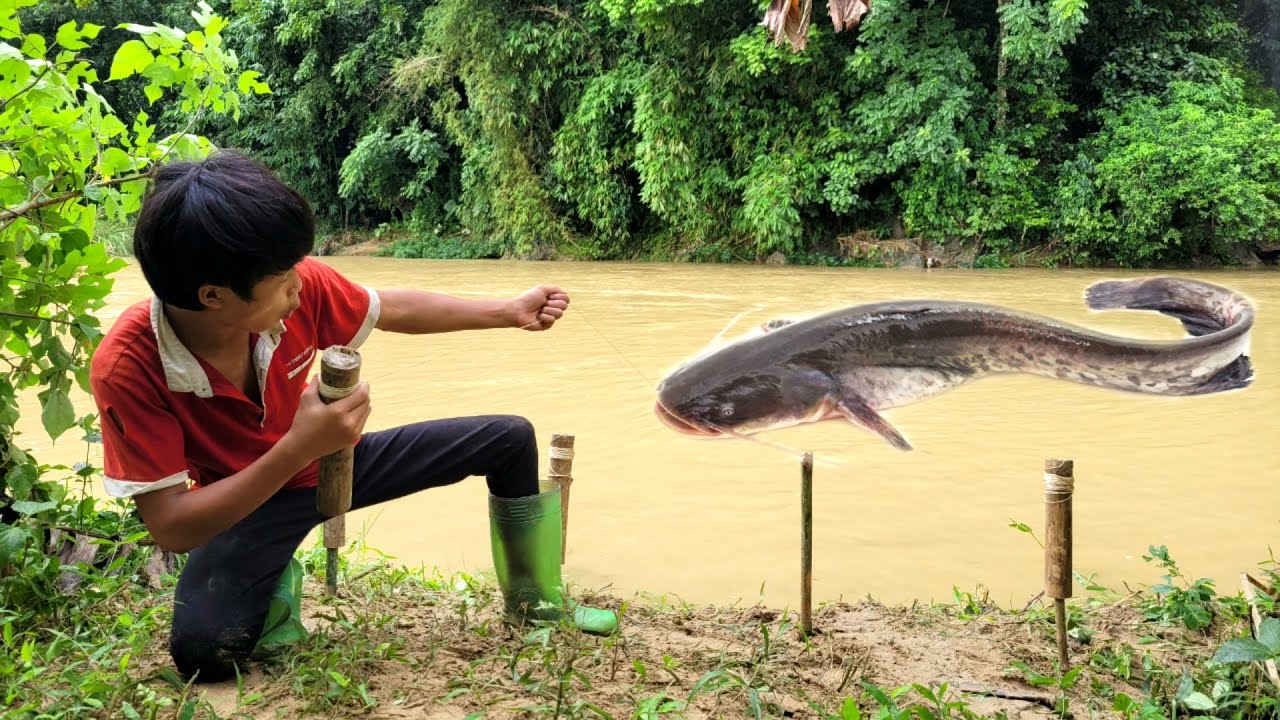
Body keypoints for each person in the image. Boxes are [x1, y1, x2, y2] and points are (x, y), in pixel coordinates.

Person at [88, 149, 618, 684]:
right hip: (246, 505)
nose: (301, 286)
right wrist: (298, 446)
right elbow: (172, 526)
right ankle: (277, 586)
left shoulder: (296, 286)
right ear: (213, 296)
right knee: (204, 653)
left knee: (508, 438)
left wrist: (507, 311)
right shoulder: (128, 366)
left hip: (334, 462)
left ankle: (535, 604)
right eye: (283, 280)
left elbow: (390, 308)